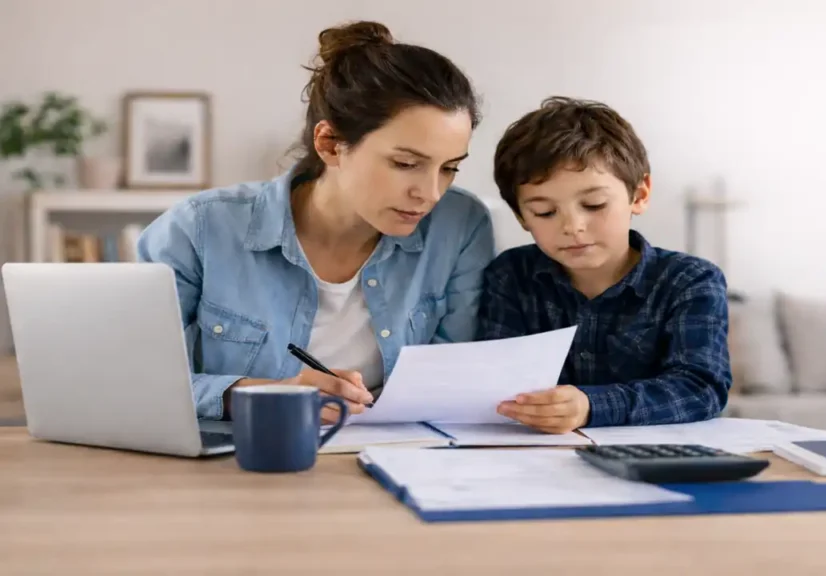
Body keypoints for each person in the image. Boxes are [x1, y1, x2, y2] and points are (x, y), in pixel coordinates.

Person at [137, 21, 495, 423]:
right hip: (241, 458)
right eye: (406, 164)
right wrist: (259, 396)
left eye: (449, 168)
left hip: (399, 455)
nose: (430, 193)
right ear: (330, 144)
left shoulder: (460, 225)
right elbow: (130, 377)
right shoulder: (199, 228)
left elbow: (454, 375)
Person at [478, 96, 732, 434]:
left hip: (656, 458)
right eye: (544, 212)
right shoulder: (511, 275)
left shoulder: (690, 280)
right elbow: (496, 383)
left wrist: (591, 405)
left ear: (639, 195)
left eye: (594, 204)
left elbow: (701, 388)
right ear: (522, 217)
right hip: (537, 457)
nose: (573, 226)